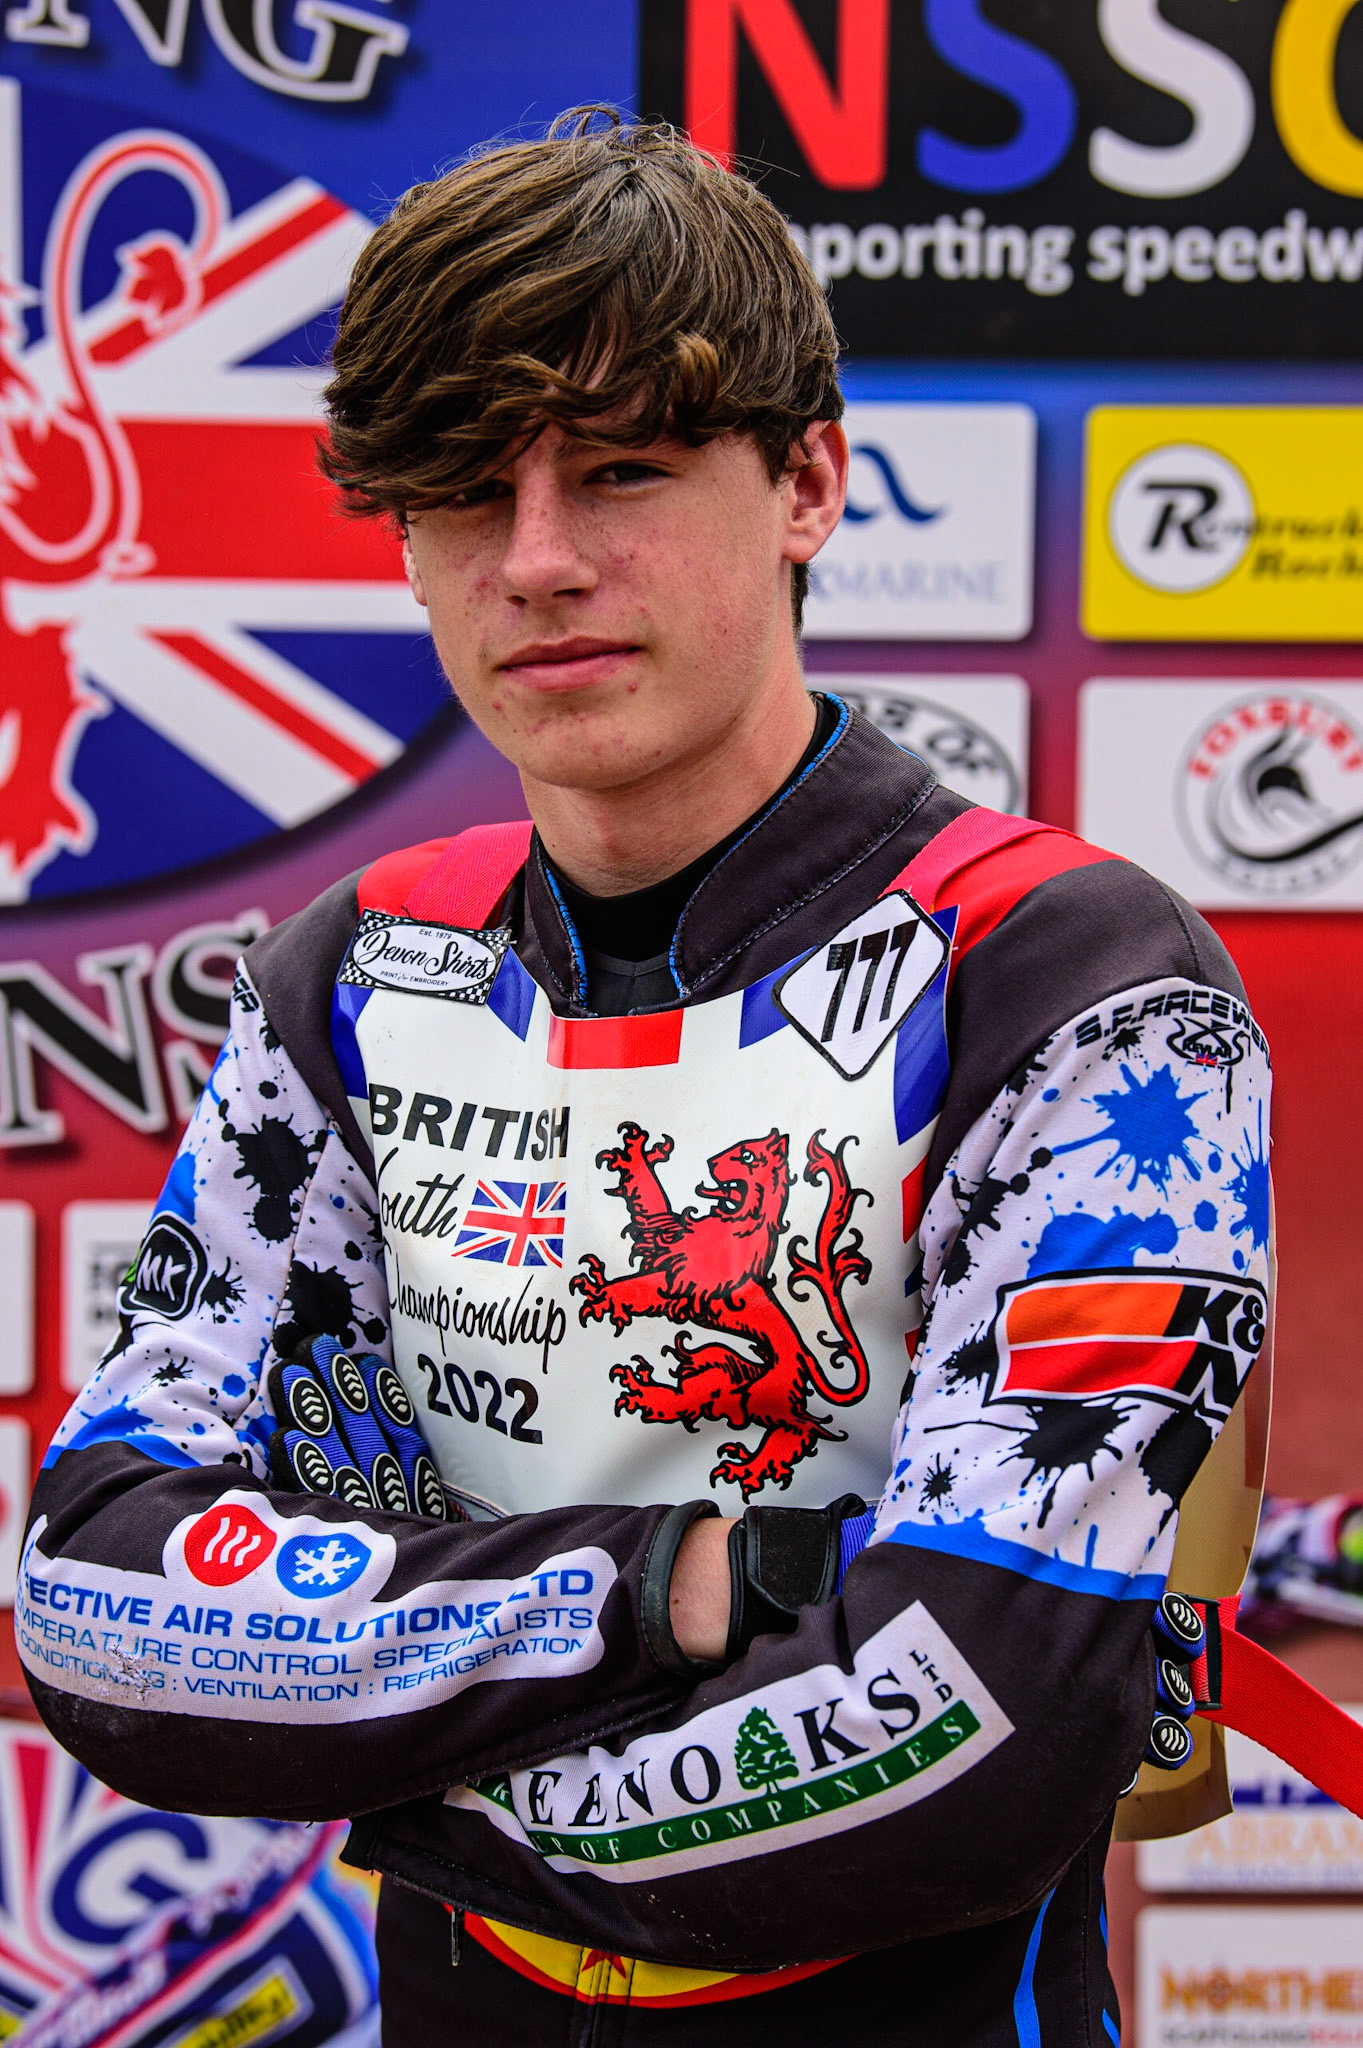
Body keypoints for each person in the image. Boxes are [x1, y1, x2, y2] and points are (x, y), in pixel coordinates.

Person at [20, 109, 1272, 2045]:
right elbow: (102, 1602)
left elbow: (989, 1724)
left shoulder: (1069, 976)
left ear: (808, 483)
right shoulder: (352, 978)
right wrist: (680, 1591)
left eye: (621, 470)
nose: (534, 561)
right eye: (462, 490)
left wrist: (396, 1766)